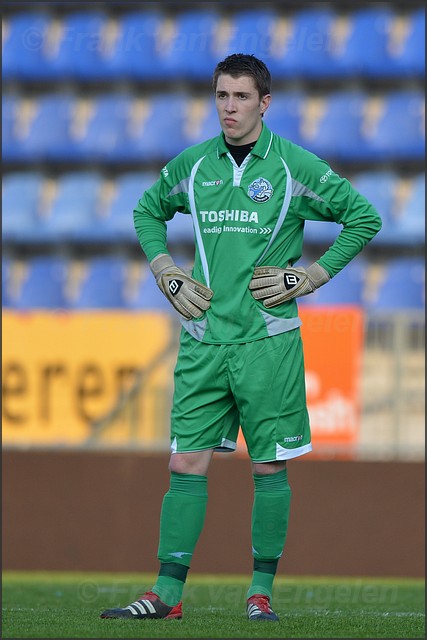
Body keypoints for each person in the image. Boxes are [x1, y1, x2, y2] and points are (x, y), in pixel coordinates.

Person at [100, 53, 382, 622]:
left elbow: (363, 217)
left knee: (269, 468)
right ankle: (166, 596)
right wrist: (166, 271)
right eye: (221, 97)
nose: (229, 108)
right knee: (184, 465)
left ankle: (259, 594)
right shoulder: (195, 164)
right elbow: (147, 210)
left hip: (267, 344)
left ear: (264, 103)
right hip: (204, 338)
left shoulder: (293, 167)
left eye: (241, 97)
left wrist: (309, 276)